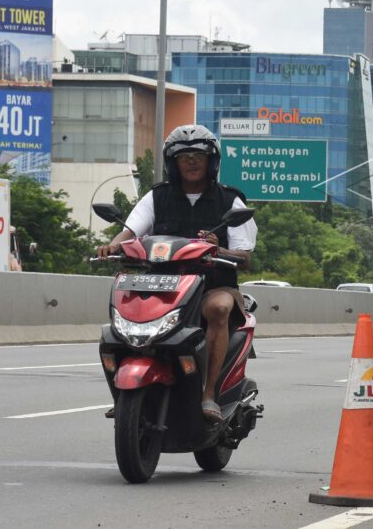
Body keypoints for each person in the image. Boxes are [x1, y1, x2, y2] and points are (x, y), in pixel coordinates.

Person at [96, 125, 257, 422]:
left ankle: (209, 394)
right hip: (163, 286)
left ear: (212, 161)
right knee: (117, 323)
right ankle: (123, 395)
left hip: (213, 285)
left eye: (198, 155)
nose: (192, 162)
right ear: (174, 163)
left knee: (219, 309)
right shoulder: (157, 197)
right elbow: (130, 232)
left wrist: (218, 249)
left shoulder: (230, 201)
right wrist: (111, 246)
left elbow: (245, 257)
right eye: (184, 157)